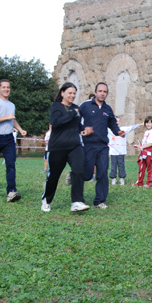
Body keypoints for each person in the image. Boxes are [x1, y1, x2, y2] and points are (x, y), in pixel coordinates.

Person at [41, 82, 90, 212]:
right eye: (70, 93)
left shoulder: (76, 108)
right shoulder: (56, 106)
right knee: (54, 176)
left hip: (74, 146)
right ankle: (46, 199)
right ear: (62, 93)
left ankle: (77, 202)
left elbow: (78, 125)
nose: (72, 95)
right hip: (57, 147)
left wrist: (84, 130)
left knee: (79, 171)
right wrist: (72, 114)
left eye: (74, 93)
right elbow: (56, 122)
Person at [78, 82, 125, 209]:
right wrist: (82, 130)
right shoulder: (85, 105)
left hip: (103, 146)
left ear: (107, 93)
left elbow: (112, 124)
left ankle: (99, 200)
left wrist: (118, 131)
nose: (102, 93)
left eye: (105, 92)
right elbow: (75, 118)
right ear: (95, 92)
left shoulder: (108, 109)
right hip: (88, 145)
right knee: (87, 174)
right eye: (100, 91)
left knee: (103, 172)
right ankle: (74, 175)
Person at [109, 117, 139, 185]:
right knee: (113, 166)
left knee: (121, 165)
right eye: (116, 121)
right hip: (113, 152)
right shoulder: (109, 129)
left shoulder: (124, 129)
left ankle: (122, 179)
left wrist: (140, 124)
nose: (117, 122)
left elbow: (132, 127)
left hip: (121, 152)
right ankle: (113, 179)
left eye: (118, 121)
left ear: (120, 122)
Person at [133, 116, 152, 187]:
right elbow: (145, 142)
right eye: (147, 122)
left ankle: (149, 183)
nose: (148, 124)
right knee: (141, 167)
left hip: (150, 151)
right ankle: (139, 182)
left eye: (150, 123)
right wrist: (139, 146)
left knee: (150, 168)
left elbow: (151, 143)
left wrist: (142, 147)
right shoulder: (146, 131)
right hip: (144, 151)